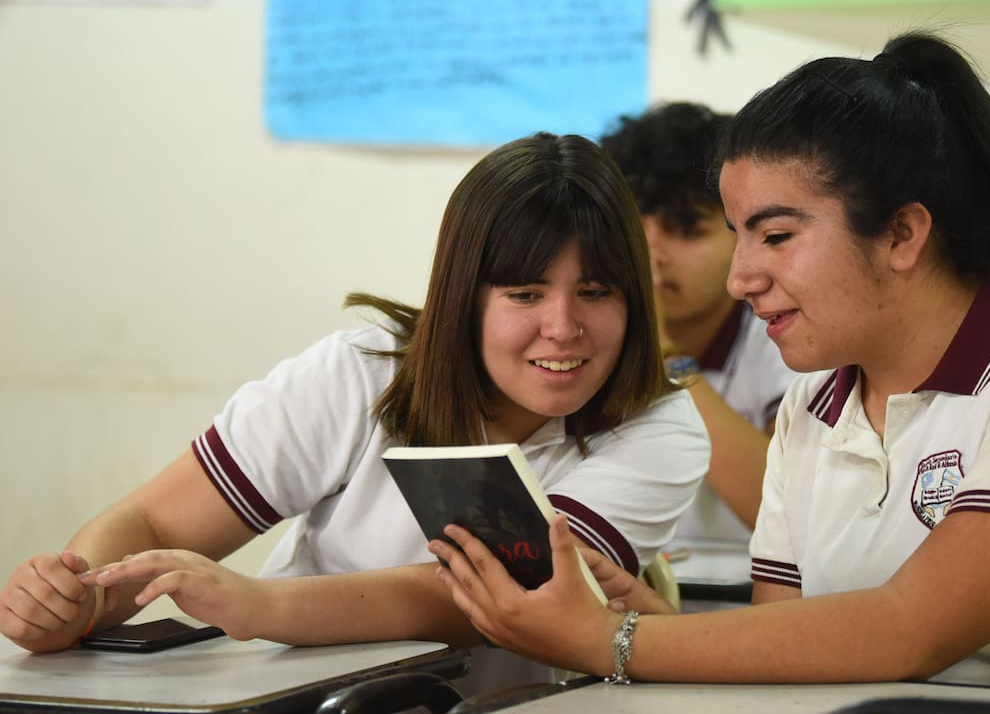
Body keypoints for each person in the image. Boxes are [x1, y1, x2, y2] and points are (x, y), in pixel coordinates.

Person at [428, 33, 990, 698]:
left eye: (776, 236)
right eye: (737, 236)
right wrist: (648, 623)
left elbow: (910, 630)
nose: (741, 278)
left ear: (901, 235)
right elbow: (792, 651)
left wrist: (614, 640)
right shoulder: (814, 405)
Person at [0, 134, 709, 672]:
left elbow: (505, 596)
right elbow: (157, 521)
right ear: (464, 296)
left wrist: (259, 604)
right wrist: (77, 598)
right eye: (524, 294)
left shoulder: (657, 427)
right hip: (292, 690)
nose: (562, 327)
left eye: (595, 292)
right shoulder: (362, 372)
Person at [600, 103, 795, 541]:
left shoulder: (785, 335)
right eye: (631, 230)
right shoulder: (578, 334)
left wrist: (664, 351)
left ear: (741, 233)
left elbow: (784, 513)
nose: (651, 254)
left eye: (685, 230)